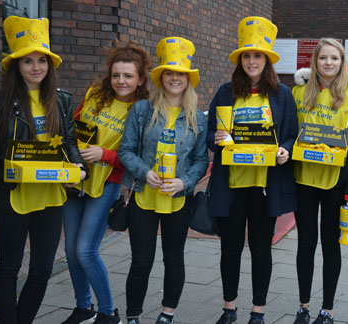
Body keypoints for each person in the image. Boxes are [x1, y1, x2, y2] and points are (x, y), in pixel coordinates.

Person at [0, 16, 87, 324]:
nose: (36, 67)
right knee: (9, 268)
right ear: (16, 66)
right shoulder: (2, 101)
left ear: (50, 65)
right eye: (28, 61)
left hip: (50, 196)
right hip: (12, 197)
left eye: (41, 60)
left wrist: (78, 168)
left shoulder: (61, 100)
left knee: (41, 270)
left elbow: (70, 143)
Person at [207, 16, 298, 324]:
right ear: (240, 60)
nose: (251, 61)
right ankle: (229, 308)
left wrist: (285, 148)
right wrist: (217, 139)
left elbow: (291, 133)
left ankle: (258, 311)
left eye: (257, 55)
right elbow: (211, 135)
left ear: (267, 60)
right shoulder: (224, 92)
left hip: (264, 185)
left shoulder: (282, 95)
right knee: (230, 249)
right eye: (246, 55)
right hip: (231, 184)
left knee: (261, 249)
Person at [118, 36, 208, 324]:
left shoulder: (198, 118)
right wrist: (145, 171)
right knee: (141, 261)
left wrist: (185, 182)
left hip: (177, 198)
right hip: (144, 194)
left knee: (174, 259)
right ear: (161, 77)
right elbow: (126, 150)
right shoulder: (142, 110)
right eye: (169, 72)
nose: (174, 78)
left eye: (180, 73)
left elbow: (201, 159)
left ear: (188, 79)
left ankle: (167, 314)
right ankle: (133, 316)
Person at [61, 41, 151, 324]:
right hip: (75, 179)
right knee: (70, 251)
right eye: (116, 75)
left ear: (140, 80)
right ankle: (83, 306)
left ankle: (108, 312)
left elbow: (138, 157)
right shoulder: (94, 94)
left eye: (127, 76)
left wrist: (105, 154)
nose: (120, 81)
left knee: (85, 250)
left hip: (107, 183)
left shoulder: (143, 110)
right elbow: (71, 129)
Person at [291, 38, 348, 324]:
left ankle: (327, 310)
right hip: (304, 180)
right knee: (305, 244)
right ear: (315, 61)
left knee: (330, 245)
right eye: (323, 58)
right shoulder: (298, 93)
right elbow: (289, 131)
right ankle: (304, 306)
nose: (328, 63)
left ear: (342, 62)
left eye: (334, 58)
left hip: (337, 183)